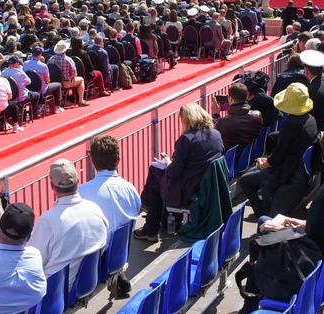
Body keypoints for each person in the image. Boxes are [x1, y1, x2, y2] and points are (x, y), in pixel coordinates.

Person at [232, 125, 324, 314]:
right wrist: (296, 222)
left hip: (314, 256)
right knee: (264, 219)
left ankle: (250, 307)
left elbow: (313, 239)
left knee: (258, 240)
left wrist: (281, 228)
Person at [134, 103, 224, 242]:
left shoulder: (186, 139)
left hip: (189, 188)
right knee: (156, 178)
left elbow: (174, 173)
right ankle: (152, 216)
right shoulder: (216, 134)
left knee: (154, 181)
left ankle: (149, 224)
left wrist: (169, 164)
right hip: (207, 185)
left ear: (187, 120)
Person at [238, 83, 318, 218]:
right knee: (253, 172)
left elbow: (279, 154)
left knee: (245, 181)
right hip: (295, 166)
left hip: (286, 171)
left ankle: (261, 213)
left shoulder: (290, 124)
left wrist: (265, 163)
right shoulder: (311, 119)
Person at [29, 159, 109, 289]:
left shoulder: (48, 221)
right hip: (88, 282)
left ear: (52, 186)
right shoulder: (95, 209)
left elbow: (32, 264)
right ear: (77, 182)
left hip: (56, 292)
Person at [78, 134, 141, 297]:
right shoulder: (131, 189)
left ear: (92, 161)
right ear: (118, 160)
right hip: (120, 254)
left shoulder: (82, 192)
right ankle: (118, 276)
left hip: (94, 262)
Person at [214, 82, 262, 154]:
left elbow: (214, 134)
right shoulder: (257, 115)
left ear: (230, 99)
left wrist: (215, 115)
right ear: (247, 96)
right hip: (250, 155)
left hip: (229, 159)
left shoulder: (224, 122)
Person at [48, 40, 88, 106]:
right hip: (65, 83)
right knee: (81, 79)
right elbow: (74, 74)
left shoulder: (51, 59)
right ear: (65, 50)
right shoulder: (68, 60)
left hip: (54, 82)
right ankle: (81, 100)